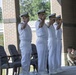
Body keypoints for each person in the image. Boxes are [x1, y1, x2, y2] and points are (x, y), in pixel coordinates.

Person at [35, 9, 48, 75]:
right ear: (39, 15)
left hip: (45, 40)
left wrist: (44, 20)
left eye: (44, 14)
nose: (43, 16)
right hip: (40, 40)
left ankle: (44, 70)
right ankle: (40, 71)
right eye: (42, 14)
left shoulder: (44, 23)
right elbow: (40, 25)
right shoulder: (38, 22)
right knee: (41, 56)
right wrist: (43, 19)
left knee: (45, 56)